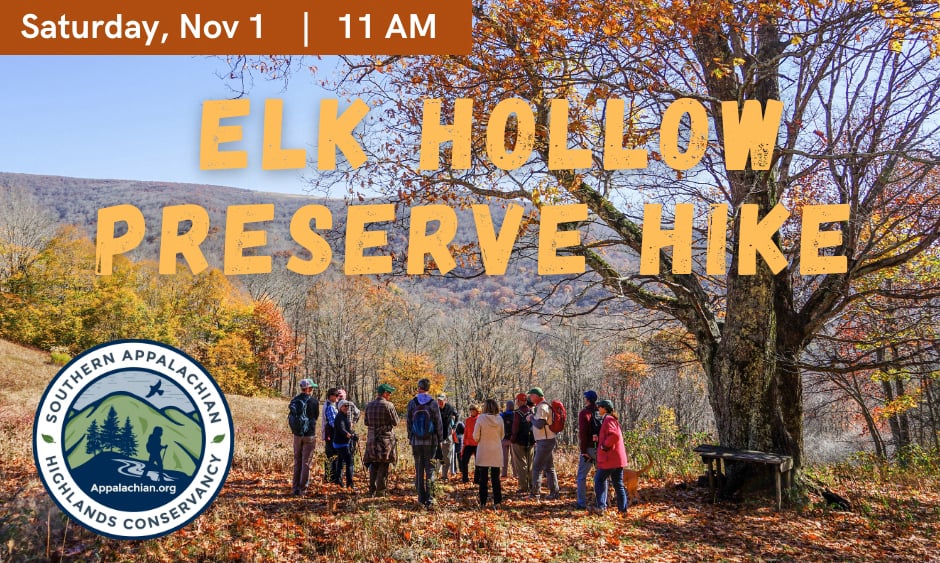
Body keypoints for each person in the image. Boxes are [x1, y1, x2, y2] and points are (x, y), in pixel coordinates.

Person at [406, 378, 443, 508]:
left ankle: (421, 498)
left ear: (418, 388)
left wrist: (410, 436)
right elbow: (438, 422)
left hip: (416, 441)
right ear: (429, 388)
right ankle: (430, 499)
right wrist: (440, 439)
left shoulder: (412, 402)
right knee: (430, 469)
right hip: (430, 441)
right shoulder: (433, 403)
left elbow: (409, 422)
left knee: (419, 469)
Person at [363, 383, 400, 497]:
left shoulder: (369, 405)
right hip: (385, 441)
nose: (389, 395)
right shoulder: (389, 405)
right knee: (383, 465)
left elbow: (366, 422)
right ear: (384, 393)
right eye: (389, 393)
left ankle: (372, 490)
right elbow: (396, 422)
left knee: (373, 464)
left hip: (372, 439)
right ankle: (380, 491)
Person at [594, 399, 629, 513]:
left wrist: (604, 446)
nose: (598, 409)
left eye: (600, 407)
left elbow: (614, 436)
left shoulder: (608, 419)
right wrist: (600, 439)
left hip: (610, 459)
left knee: (599, 480)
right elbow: (611, 435)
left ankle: (601, 507)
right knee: (618, 483)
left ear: (604, 408)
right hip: (617, 459)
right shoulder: (611, 419)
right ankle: (623, 510)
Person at [527, 387, 559, 500]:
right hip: (545, 440)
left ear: (536, 396)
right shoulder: (541, 406)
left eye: (531, 395)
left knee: (536, 468)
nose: (530, 397)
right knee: (549, 468)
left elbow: (540, 424)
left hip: (545, 441)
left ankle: (535, 494)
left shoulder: (542, 407)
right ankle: (554, 493)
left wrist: (531, 418)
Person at [472, 399, 505, 508]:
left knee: (483, 478)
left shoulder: (481, 418)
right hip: (496, 450)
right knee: (496, 478)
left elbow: (476, 436)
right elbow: (502, 435)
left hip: (484, 450)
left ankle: (482, 501)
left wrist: (480, 439)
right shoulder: (500, 419)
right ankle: (497, 501)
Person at [290, 379, 320, 496]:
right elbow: (316, 416)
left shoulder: (295, 400)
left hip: (297, 435)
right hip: (310, 435)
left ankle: (295, 488)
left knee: (297, 461)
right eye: (311, 388)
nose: (312, 390)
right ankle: (303, 489)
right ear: (308, 389)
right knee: (306, 463)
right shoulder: (314, 401)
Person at [575, 389, 599, 509]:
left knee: (581, 476)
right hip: (601, 449)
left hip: (589, 449)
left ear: (587, 400)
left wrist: (583, 451)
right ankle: (601, 503)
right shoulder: (600, 411)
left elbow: (583, 433)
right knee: (600, 476)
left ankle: (581, 503)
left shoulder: (584, 413)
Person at [510, 393, 534, 494]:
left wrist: (512, 440)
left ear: (519, 401)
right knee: (531, 464)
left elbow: (515, 428)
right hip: (531, 441)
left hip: (519, 442)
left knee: (521, 464)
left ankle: (524, 487)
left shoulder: (517, 413)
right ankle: (532, 485)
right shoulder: (531, 411)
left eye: (516, 400)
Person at [332, 399, 356, 488]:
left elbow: (346, 428)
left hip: (341, 443)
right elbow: (342, 429)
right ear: (340, 407)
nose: (347, 407)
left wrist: (352, 433)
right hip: (341, 443)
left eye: (348, 406)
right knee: (350, 462)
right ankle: (350, 484)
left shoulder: (344, 415)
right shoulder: (340, 417)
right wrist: (351, 436)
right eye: (345, 406)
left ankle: (338, 482)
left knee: (341, 462)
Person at [436, 394, 457, 482]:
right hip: (437, 436)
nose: (440, 402)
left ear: (445, 400)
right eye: (438, 400)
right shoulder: (435, 409)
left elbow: (457, 416)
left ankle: (444, 476)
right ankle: (435, 474)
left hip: (447, 436)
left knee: (446, 456)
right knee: (437, 456)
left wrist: (454, 427)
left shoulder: (450, 408)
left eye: (441, 400)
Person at [321, 388, 340, 483]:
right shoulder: (330, 407)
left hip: (330, 434)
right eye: (336, 395)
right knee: (332, 455)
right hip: (331, 435)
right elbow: (333, 423)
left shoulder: (330, 405)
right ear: (331, 396)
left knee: (331, 455)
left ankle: (330, 477)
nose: (337, 397)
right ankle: (331, 477)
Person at [459, 405, 480, 484]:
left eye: (473, 409)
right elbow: (466, 432)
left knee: (478, 462)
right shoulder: (467, 420)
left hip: (477, 444)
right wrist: (464, 443)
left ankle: (477, 480)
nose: (471, 410)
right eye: (470, 409)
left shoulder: (480, 419)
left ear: (477, 410)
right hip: (468, 444)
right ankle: (465, 479)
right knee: (464, 461)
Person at [500, 399, 515, 478]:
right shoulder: (516, 414)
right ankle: (516, 474)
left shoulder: (502, 415)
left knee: (504, 458)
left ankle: (504, 474)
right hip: (513, 439)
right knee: (514, 458)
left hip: (504, 438)